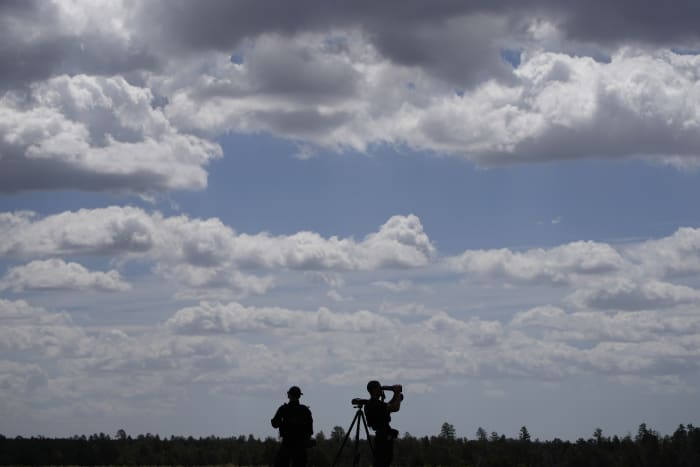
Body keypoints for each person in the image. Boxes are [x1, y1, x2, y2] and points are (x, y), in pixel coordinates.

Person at [271, 386, 314, 467]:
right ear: (299, 396)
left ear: (289, 395)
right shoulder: (305, 410)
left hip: (287, 444)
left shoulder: (283, 409)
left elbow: (274, 424)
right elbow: (310, 430)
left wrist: (283, 423)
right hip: (300, 446)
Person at [363, 380, 402, 467]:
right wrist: (398, 394)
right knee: (383, 461)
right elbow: (395, 408)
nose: (381, 389)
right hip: (383, 438)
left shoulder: (371, 403)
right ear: (374, 390)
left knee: (381, 461)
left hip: (381, 436)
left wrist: (395, 395)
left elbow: (387, 406)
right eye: (379, 387)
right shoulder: (375, 404)